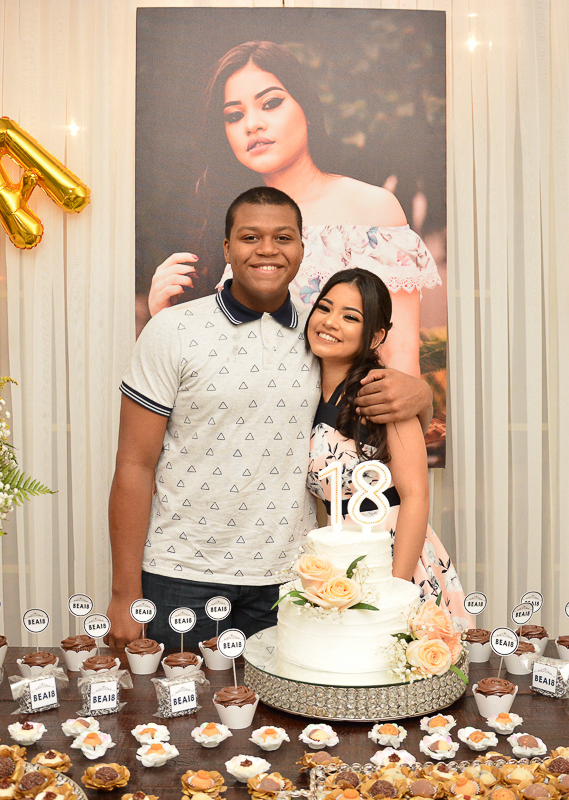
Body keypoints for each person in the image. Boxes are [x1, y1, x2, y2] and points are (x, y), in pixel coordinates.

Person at [106, 187, 432, 651]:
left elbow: (377, 391)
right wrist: (124, 593)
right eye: (249, 237)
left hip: (293, 580)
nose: (266, 250)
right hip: (180, 574)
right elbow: (134, 465)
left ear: (301, 248)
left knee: (285, 700)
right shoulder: (172, 330)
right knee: (175, 695)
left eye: (282, 237)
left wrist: (423, 395)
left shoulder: (319, 336)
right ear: (227, 249)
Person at [147, 40, 440, 384]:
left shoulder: (371, 209)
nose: (252, 125)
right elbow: (208, 375)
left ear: (308, 110)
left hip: (342, 415)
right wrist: (164, 318)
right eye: (234, 116)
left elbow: (400, 362)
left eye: (270, 103)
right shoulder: (230, 227)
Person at [305, 267, 471, 625]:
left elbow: (416, 497)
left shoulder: (386, 394)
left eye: (350, 317)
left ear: (376, 336)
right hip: (337, 558)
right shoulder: (303, 392)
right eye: (325, 308)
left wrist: (394, 587)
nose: (330, 322)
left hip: (394, 555)